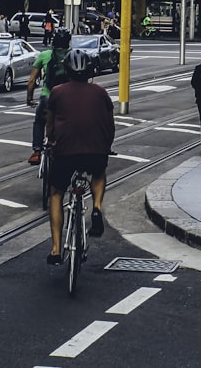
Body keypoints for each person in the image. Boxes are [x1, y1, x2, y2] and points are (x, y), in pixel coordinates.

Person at [44, 48, 115, 264]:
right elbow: (110, 125)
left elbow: (50, 124)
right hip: (96, 151)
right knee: (99, 173)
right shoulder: (101, 92)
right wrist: (106, 145)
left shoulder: (57, 92)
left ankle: (56, 249)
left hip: (65, 152)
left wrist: (51, 140)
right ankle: (96, 208)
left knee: (56, 193)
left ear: (67, 70)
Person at [26, 28, 72, 165]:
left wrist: (29, 98)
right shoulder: (73, 55)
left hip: (48, 96)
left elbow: (31, 81)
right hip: (67, 98)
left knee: (39, 122)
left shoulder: (44, 55)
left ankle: (36, 151)